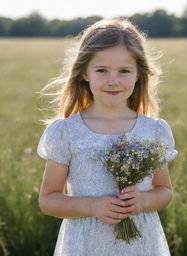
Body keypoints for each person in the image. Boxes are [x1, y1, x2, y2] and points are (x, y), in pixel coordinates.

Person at [37, 17, 178, 256]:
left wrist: (143, 201)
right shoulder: (66, 132)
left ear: (138, 75)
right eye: (102, 70)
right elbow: (49, 199)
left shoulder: (153, 131)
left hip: (141, 246)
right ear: (84, 73)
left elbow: (164, 191)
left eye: (124, 71)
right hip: (85, 245)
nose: (113, 80)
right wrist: (93, 206)